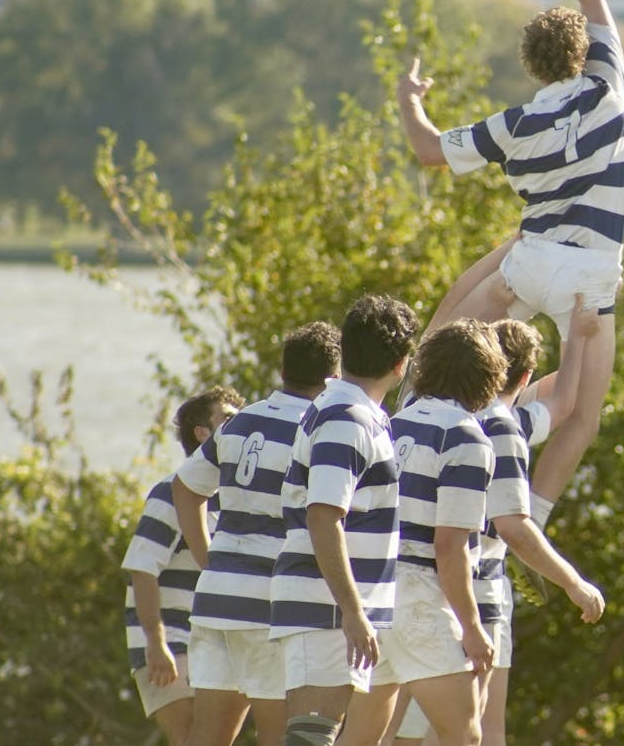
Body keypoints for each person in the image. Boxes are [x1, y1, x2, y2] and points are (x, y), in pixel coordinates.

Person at [396, 0, 624, 517]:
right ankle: (530, 522)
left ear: (532, 65)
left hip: (530, 262)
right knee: (583, 417)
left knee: (444, 338)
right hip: (590, 277)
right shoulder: (608, 91)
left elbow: (428, 149)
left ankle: (405, 431)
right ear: (585, 53)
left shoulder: (514, 126)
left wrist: (408, 100)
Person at [174, 323, 341, 746]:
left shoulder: (239, 421)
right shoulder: (317, 428)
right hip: (271, 601)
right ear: (333, 378)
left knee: (206, 736)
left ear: (283, 370)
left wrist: (209, 561)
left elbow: (185, 487)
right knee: (278, 734)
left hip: (217, 596)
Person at [347, 319, 510, 746]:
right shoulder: (466, 438)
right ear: (487, 375)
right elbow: (450, 546)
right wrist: (472, 627)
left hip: (375, 590)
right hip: (420, 596)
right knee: (464, 735)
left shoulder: (391, 423)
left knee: (361, 737)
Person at [269, 295, 419, 746]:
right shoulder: (347, 419)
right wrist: (353, 612)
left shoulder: (352, 411)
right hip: (326, 605)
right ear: (400, 365)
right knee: (310, 737)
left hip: (332, 604)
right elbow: (323, 516)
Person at [474, 306, 607, 745]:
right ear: (527, 375)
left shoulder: (439, 410)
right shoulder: (506, 426)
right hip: (478, 586)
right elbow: (566, 401)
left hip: (410, 582)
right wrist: (577, 335)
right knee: (479, 730)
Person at [124, 387, 242, 746]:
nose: (241, 426)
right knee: (192, 737)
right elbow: (142, 568)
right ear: (202, 434)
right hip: (171, 641)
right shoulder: (170, 493)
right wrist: (156, 642)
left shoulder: (232, 498)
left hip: (211, 642)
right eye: (228, 419)